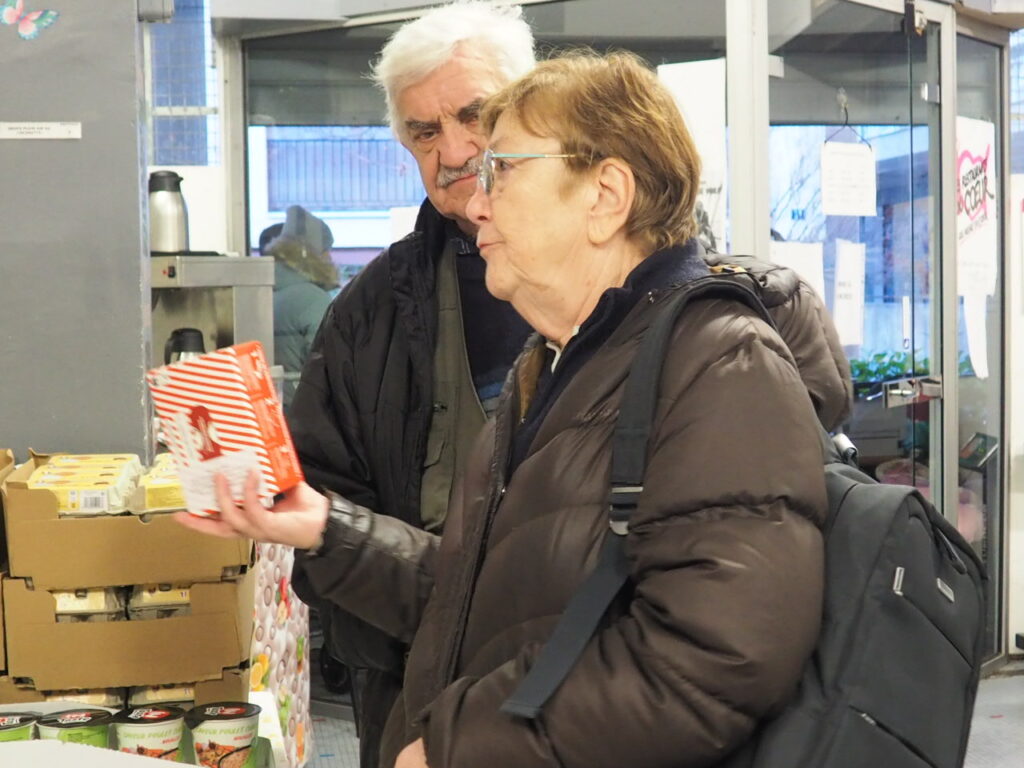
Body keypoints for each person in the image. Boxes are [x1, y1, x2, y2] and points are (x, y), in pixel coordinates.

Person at [179, 51, 831, 768]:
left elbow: (712, 661)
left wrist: (462, 748)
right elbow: (481, 601)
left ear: (605, 195)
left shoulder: (718, 364)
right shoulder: (558, 363)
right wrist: (325, 527)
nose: (475, 199)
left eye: (504, 169)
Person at [285, 3, 535, 766]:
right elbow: (319, 501)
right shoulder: (369, 310)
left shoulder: (626, 282)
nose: (454, 150)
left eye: (475, 115)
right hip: (411, 687)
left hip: (578, 685)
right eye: (424, 132)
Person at [259, 205, 339, 411]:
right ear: (309, 254)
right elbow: (331, 370)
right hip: (303, 413)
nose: (330, 258)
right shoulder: (313, 299)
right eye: (325, 250)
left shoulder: (263, 293)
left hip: (270, 409)